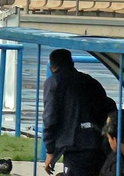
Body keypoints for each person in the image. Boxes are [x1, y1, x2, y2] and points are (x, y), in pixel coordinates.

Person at [43, 48, 115, 176]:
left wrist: (50, 151)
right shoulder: (90, 81)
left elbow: (50, 118)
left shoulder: (54, 82)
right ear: (71, 63)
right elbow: (108, 106)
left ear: (51, 67)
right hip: (98, 145)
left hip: (74, 147)